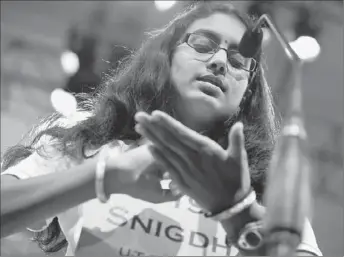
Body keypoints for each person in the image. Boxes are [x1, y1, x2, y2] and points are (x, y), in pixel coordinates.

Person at [1, 2, 322, 256]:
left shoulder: (264, 187)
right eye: (202, 44)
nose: (220, 62)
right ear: (165, 59)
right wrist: (104, 177)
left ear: (247, 92)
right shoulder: (88, 141)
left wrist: (237, 213)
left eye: (238, 61)